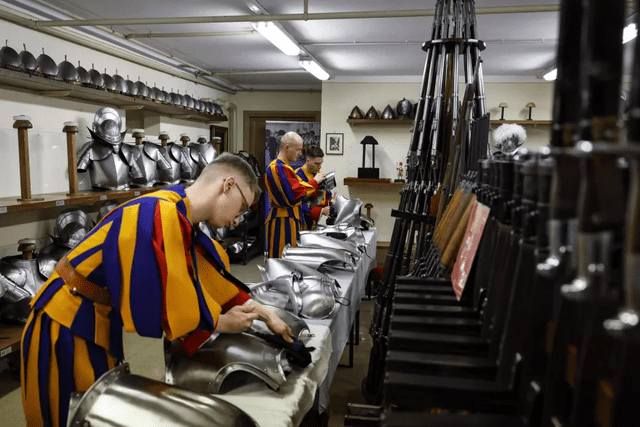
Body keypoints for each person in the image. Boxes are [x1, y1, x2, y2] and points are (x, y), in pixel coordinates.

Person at [21, 153, 293, 427]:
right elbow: (150, 297)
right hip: (64, 319)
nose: (238, 220)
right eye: (243, 207)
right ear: (228, 185)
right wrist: (219, 322)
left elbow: (206, 278)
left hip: (93, 317)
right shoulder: (157, 210)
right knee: (66, 413)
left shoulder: (177, 213)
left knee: (91, 408)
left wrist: (261, 311)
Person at [265, 131, 325, 258]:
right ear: (287, 147)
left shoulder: (285, 167)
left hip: (291, 219)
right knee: (283, 258)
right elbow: (293, 194)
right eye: (298, 149)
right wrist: (314, 182)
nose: (299, 154)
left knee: (291, 256)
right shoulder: (277, 167)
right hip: (283, 220)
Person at [295, 145, 333, 230]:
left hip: (314, 223)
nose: (319, 167)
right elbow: (297, 201)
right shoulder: (297, 175)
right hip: (300, 222)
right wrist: (319, 211)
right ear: (308, 160)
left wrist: (329, 203)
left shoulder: (318, 173)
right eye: (317, 164)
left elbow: (325, 194)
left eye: (320, 164)